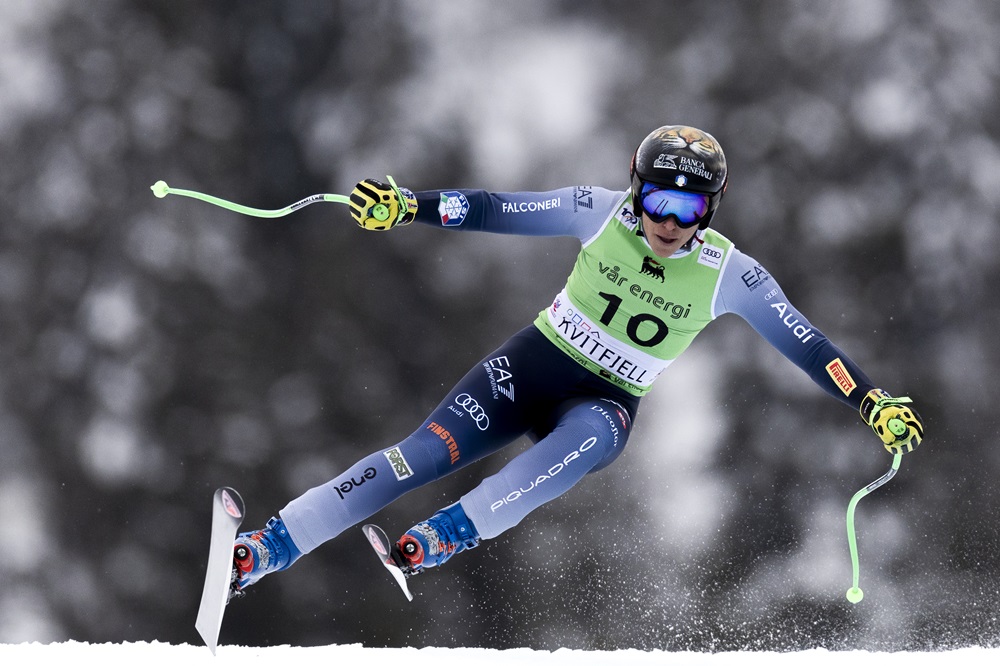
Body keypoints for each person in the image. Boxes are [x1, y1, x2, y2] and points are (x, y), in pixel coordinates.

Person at [229, 125, 924, 597]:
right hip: (530, 368)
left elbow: (805, 343)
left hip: (605, 404)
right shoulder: (597, 212)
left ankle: (445, 537)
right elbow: (497, 209)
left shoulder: (730, 274)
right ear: (634, 187)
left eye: (690, 209)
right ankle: (268, 549)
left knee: (581, 444)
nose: (669, 224)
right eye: (657, 200)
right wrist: (409, 206)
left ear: (713, 210)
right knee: (415, 458)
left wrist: (871, 402)